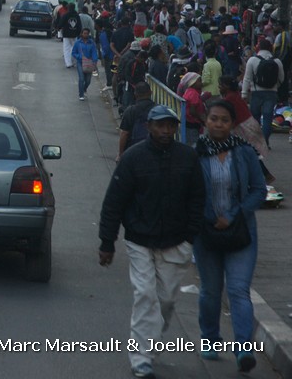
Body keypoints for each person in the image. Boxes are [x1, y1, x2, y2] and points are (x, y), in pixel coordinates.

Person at [98, 104, 205, 379]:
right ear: (149, 127)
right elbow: (114, 202)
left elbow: (197, 198)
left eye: (170, 125)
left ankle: (151, 341)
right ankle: (141, 358)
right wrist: (107, 242)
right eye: (160, 125)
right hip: (140, 241)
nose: (165, 131)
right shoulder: (133, 159)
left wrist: (190, 236)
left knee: (166, 300)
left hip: (175, 241)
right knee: (145, 295)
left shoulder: (187, 158)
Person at [192, 98, 266, 372]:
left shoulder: (245, 152)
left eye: (224, 120)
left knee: (238, 290)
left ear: (232, 124)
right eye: (214, 119)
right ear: (205, 121)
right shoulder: (195, 152)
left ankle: (244, 349)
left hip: (241, 233)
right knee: (211, 291)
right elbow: (190, 192)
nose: (219, 124)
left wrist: (233, 216)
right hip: (206, 234)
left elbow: (259, 190)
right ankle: (209, 338)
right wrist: (210, 219)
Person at [241, 37, 283, 146]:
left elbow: (247, 78)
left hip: (256, 93)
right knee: (268, 118)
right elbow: (281, 78)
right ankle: (265, 141)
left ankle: (256, 141)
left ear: (258, 48)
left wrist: (244, 94)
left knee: (255, 118)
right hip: (271, 93)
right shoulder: (277, 61)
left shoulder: (252, 60)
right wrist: (274, 86)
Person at [118, 82, 155, 159]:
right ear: (151, 93)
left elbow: (124, 133)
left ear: (135, 94)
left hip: (133, 150)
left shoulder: (130, 111)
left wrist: (120, 154)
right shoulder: (157, 110)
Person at [72, 27, 99, 100]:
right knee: (81, 78)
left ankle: (84, 89)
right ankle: (81, 94)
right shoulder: (78, 43)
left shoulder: (91, 43)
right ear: (81, 34)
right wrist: (80, 56)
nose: (86, 35)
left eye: (87, 33)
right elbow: (73, 53)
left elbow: (94, 53)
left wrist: (95, 61)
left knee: (88, 80)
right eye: (84, 33)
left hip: (89, 63)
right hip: (80, 63)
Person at [59, 2, 83, 69]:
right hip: (74, 35)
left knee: (66, 49)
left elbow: (61, 23)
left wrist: (58, 28)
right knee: (74, 48)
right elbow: (79, 25)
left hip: (66, 34)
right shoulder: (77, 15)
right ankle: (74, 62)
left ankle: (68, 63)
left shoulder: (65, 15)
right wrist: (78, 33)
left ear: (68, 8)